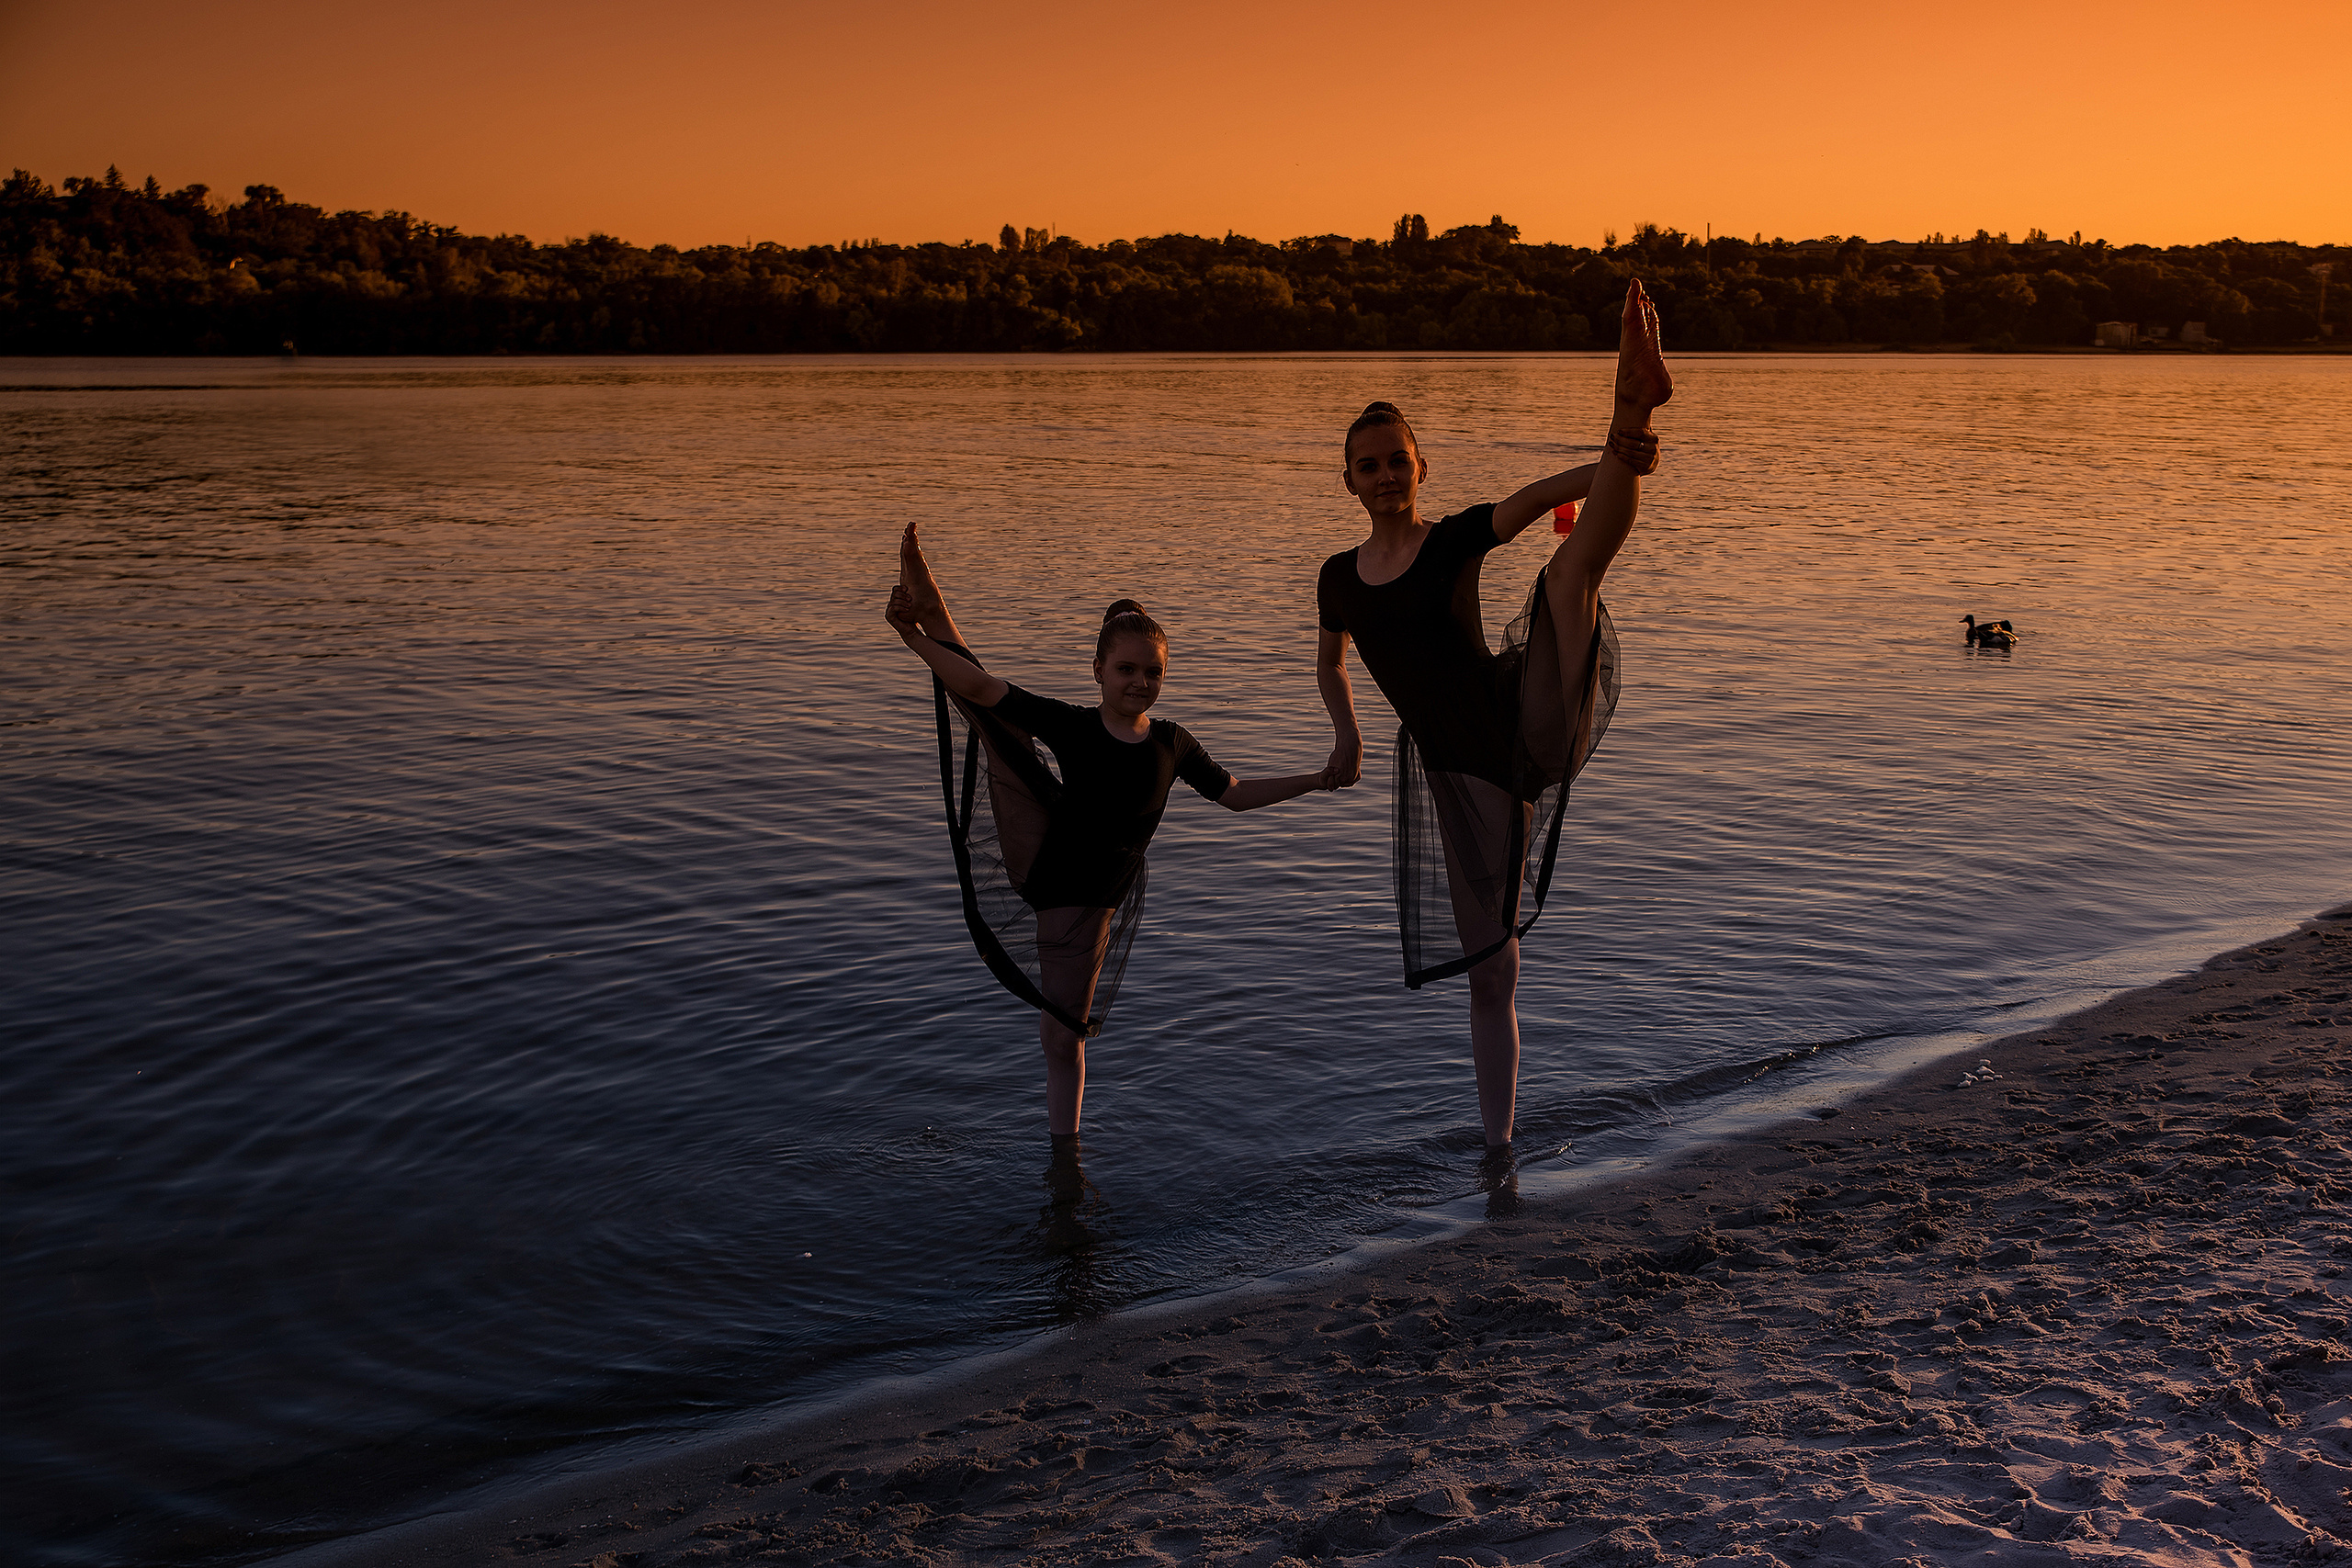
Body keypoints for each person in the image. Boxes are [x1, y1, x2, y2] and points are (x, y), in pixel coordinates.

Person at [1313, 280, 1674, 1157]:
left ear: (1419, 467)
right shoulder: (1338, 578)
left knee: (1566, 580)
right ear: (1351, 481)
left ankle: (1633, 401)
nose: (1387, 474)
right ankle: (1499, 1151)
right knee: (1494, 970)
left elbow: (1531, 496)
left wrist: (1620, 457)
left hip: (1516, 718)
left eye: (1399, 458)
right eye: (1370, 464)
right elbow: (1330, 664)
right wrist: (1348, 734)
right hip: (1452, 767)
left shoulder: (1454, 540)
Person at [888, 523, 1338, 1140]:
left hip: (1092, 890)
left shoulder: (1171, 742)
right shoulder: (1074, 725)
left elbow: (1233, 794)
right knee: (993, 718)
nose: (1140, 682)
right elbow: (981, 686)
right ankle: (1065, 1152)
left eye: (1152, 671)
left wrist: (1314, 778)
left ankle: (1065, 1152)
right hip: (1055, 864)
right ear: (1098, 669)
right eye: (1126, 669)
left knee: (1060, 1031)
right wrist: (910, 639)